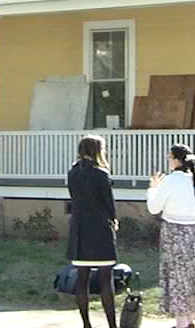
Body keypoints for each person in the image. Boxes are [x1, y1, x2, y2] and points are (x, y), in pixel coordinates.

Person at [147, 143, 195, 328]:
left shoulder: (172, 180)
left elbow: (154, 207)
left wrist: (153, 189)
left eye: (170, 158)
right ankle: (190, 318)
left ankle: (181, 322)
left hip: (174, 231)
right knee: (191, 274)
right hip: (193, 231)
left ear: (175, 160)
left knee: (176, 275)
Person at [68, 135, 119, 328]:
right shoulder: (101, 174)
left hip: (79, 229)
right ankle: (112, 325)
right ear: (98, 151)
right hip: (99, 229)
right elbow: (108, 203)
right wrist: (114, 219)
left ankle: (86, 324)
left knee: (82, 278)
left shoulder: (72, 173)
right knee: (106, 279)